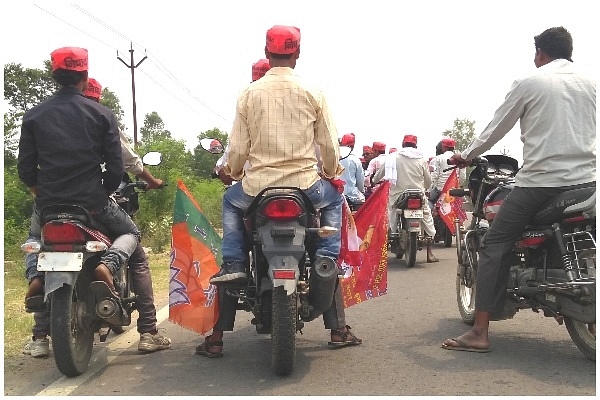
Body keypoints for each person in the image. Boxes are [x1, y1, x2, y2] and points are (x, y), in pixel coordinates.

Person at [195, 25, 362, 357]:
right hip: (305, 187)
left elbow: (237, 148)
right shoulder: (313, 91)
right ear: (297, 53)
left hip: (257, 189)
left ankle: (235, 264)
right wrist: (330, 174)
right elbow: (329, 144)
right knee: (334, 200)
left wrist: (235, 171)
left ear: (267, 53)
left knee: (230, 204)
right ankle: (328, 259)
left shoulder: (249, 94)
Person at [442, 26, 595, 352]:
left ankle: (479, 332)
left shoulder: (531, 83)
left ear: (540, 53)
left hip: (540, 183)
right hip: (586, 182)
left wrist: (466, 155)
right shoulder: (591, 84)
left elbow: (497, 126)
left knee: (495, 243)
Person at [18, 53, 170, 358]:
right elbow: (117, 169)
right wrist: (100, 193)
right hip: (92, 204)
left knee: (37, 242)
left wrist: (44, 193)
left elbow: (25, 169)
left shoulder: (34, 115)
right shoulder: (101, 115)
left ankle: (37, 285)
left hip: (48, 204)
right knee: (133, 240)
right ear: (85, 77)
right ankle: (147, 328)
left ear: (53, 74)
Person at [372, 134, 439, 263]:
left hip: (398, 196)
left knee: (390, 211)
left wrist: (374, 180)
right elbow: (428, 182)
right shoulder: (421, 160)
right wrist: (424, 187)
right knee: (427, 215)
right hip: (418, 195)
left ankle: (391, 233)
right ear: (415, 145)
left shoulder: (392, 158)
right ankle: (430, 250)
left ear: (403, 144)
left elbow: (378, 176)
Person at [428, 137, 465, 210]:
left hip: (439, 190)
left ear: (443, 147)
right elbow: (462, 177)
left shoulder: (438, 158)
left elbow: (434, 177)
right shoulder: (460, 159)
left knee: (429, 201)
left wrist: (429, 190)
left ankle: (432, 214)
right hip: (454, 191)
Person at [338, 133, 365, 208]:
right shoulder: (355, 160)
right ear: (353, 146)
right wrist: (361, 190)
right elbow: (360, 182)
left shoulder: (334, 157)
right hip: (352, 197)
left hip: (335, 197)